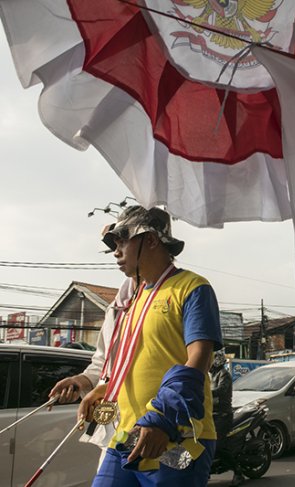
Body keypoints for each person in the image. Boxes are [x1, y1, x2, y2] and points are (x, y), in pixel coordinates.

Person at [77, 205, 223, 486]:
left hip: (175, 436)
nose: (116, 251)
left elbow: (200, 358)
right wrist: (104, 388)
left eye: (122, 241)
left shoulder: (192, 288)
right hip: (126, 435)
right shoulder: (130, 302)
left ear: (152, 240)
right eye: (113, 244)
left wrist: (162, 419)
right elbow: (140, 362)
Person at [49, 277, 135, 451]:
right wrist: (80, 381)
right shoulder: (116, 307)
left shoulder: (173, 298)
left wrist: (106, 389)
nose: (117, 253)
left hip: (152, 427)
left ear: (152, 247)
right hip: (115, 431)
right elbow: (102, 362)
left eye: (123, 247)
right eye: (115, 247)